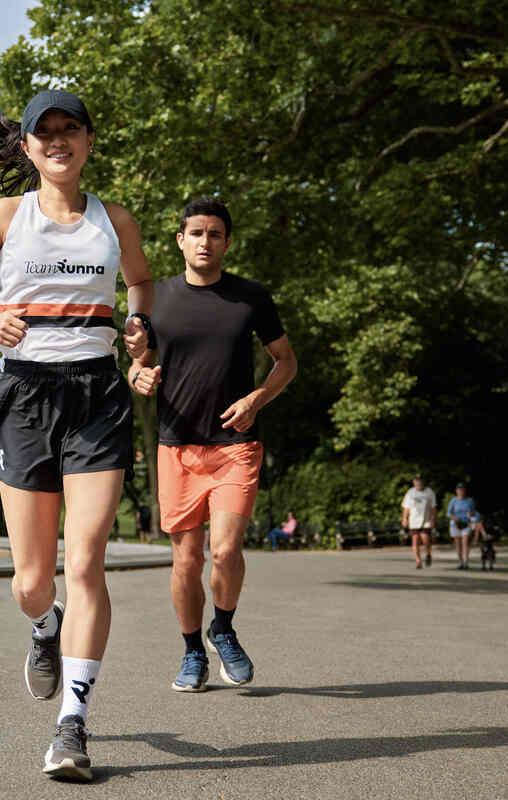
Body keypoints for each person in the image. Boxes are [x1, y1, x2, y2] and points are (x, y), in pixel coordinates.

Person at [0, 89, 154, 781]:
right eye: (45, 133)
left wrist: (140, 333)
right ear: (27, 148)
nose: (58, 141)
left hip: (96, 394)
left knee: (85, 560)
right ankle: (43, 624)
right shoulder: (5, 216)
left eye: (70, 130)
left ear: (89, 141)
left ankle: (73, 725)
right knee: (33, 581)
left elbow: (142, 284)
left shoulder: (115, 219)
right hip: (24, 395)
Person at [129, 197, 297, 694]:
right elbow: (138, 362)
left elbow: (285, 362)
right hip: (177, 446)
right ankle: (191, 652)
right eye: (197, 233)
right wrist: (138, 375)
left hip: (235, 445)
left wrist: (256, 400)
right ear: (181, 240)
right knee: (186, 561)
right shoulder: (155, 299)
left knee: (224, 551)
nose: (206, 241)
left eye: (216, 234)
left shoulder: (251, 297)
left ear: (227, 242)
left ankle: (222, 628)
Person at [401, 474, 436, 569]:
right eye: (416, 480)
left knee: (425, 539)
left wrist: (433, 519)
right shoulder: (410, 493)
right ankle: (418, 561)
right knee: (415, 541)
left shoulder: (429, 492)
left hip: (426, 520)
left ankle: (428, 554)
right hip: (413, 521)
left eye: (420, 480)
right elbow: (406, 507)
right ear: (414, 482)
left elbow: (433, 507)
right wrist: (404, 518)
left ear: (423, 481)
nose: (418, 482)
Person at [446, 482, 477, 570]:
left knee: (465, 542)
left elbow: (474, 513)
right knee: (458, 544)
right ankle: (460, 562)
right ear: (456, 491)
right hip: (455, 524)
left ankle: (466, 562)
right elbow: (448, 513)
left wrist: (471, 514)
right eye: (459, 490)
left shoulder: (470, 500)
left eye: (462, 489)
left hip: (466, 524)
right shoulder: (453, 500)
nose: (461, 491)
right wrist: (454, 517)